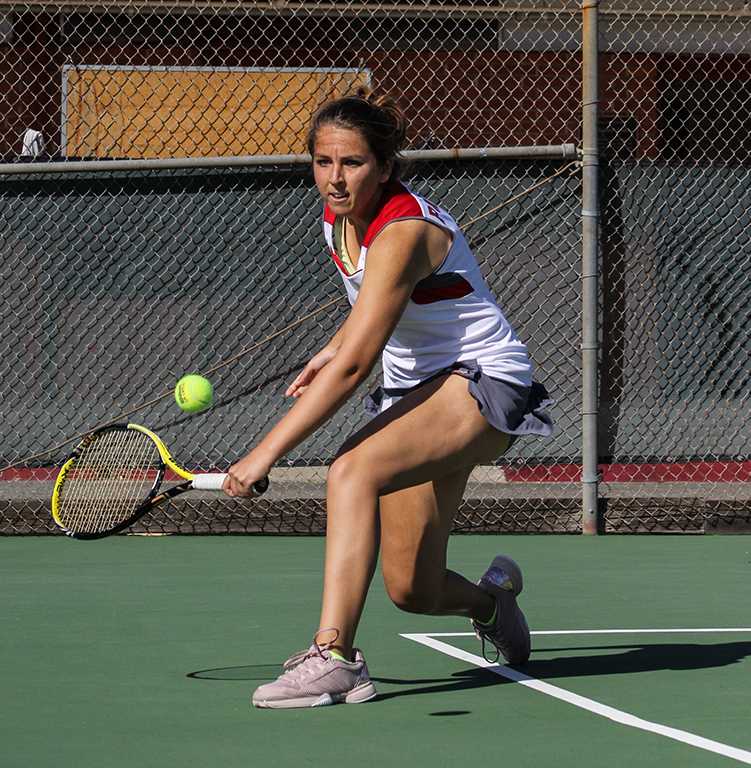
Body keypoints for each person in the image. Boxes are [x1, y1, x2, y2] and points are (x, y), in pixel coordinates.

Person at [223, 91, 553, 709]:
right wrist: (331, 344)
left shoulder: (402, 230)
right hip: (414, 396)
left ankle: (334, 657)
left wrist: (261, 455)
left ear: (385, 166)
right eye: (323, 162)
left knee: (351, 470)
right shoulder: (335, 220)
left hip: (482, 380)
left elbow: (355, 368)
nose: (335, 178)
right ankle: (493, 600)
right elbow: (372, 313)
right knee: (413, 588)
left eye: (351, 163)